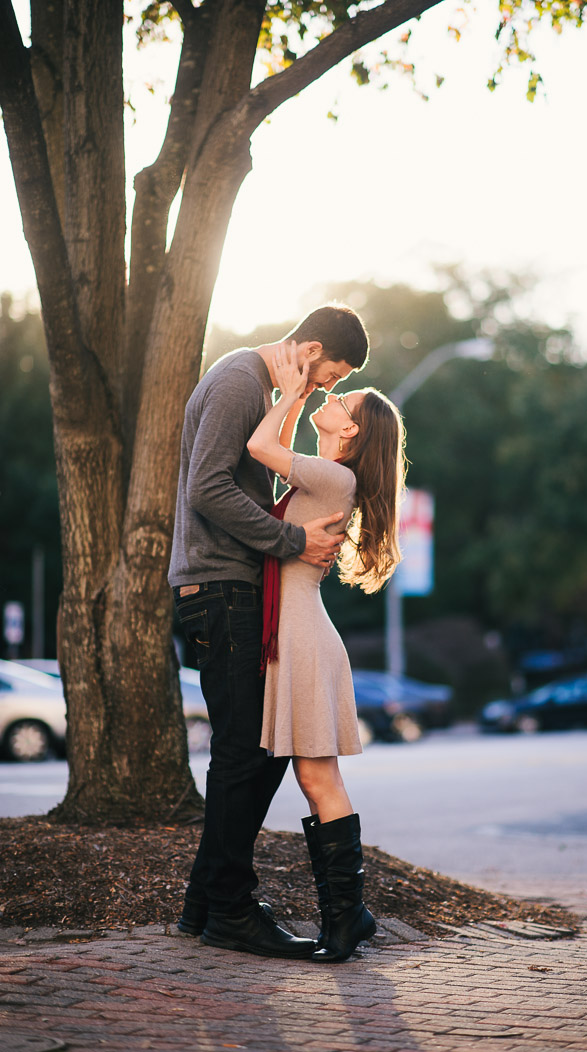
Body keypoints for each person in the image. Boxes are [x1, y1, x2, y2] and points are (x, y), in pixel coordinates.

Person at [168, 305, 369, 960]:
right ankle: (228, 907)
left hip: (232, 586)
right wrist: (289, 540)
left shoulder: (266, 392)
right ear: (309, 349)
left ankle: (207, 903)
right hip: (221, 586)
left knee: (249, 749)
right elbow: (207, 488)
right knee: (247, 752)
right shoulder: (239, 381)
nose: (326, 390)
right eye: (329, 375)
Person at [246, 342, 406, 962]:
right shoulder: (327, 473)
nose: (333, 397)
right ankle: (348, 915)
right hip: (297, 636)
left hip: (305, 641)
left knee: (317, 776)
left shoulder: (334, 475)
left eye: (345, 399)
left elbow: (261, 451)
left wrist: (290, 394)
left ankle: (347, 918)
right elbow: (275, 456)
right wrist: (299, 400)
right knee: (312, 776)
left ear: (354, 430)